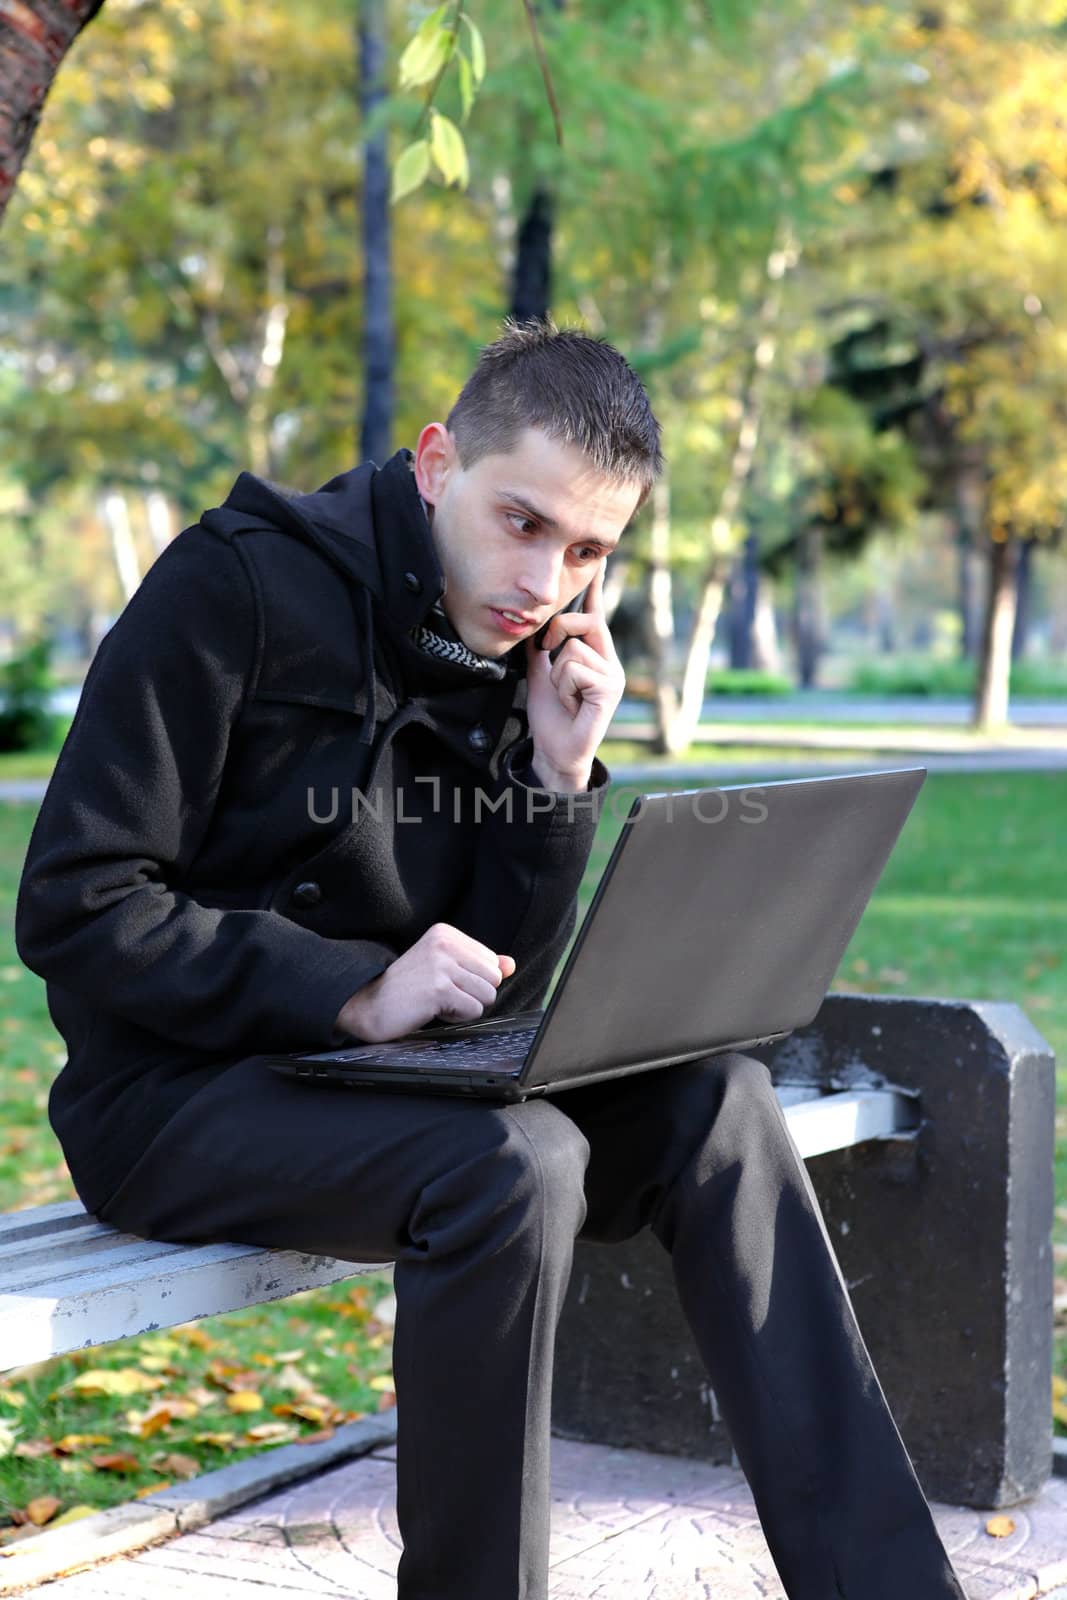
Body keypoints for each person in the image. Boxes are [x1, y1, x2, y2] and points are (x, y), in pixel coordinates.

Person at [14, 318, 966, 1600]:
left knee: (721, 1105)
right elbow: (78, 902)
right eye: (522, 521)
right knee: (518, 1163)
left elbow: (502, 978)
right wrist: (342, 990)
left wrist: (556, 774)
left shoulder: (520, 655)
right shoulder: (229, 585)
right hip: (176, 1099)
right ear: (433, 463)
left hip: (402, 1086)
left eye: (586, 550)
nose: (545, 579)